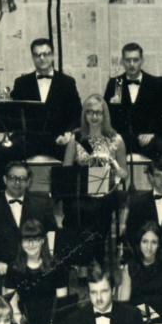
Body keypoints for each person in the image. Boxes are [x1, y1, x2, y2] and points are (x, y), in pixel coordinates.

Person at [0, 37, 83, 180]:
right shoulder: (21, 82)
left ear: (53, 55)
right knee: (0, 153)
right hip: (28, 139)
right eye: (37, 55)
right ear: (32, 57)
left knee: (81, 154)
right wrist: (4, 102)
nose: (42, 58)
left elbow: (77, 114)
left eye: (46, 54)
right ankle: (4, 199)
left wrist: (68, 132)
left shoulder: (67, 82)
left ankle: (70, 200)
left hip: (57, 138)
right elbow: (12, 113)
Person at [60, 95, 129, 266]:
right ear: (84, 114)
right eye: (89, 112)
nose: (94, 117)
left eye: (98, 112)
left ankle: (92, 259)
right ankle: (85, 260)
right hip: (81, 193)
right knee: (77, 209)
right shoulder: (75, 138)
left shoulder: (116, 139)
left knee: (100, 209)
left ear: (105, 115)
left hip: (105, 193)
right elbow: (66, 171)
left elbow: (125, 172)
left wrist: (118, 172)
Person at [0, 159, 58, 293]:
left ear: (28, 182)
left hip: (37, 268)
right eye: (13, 178)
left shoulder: (42, 204)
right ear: (5, 180)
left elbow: (52, 235)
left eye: (22, 179)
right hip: (5, 271)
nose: (17, 183)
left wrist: (47, 261)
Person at [102, 42, 162, 159]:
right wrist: (113, 135)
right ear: (122, 61)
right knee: (97, 158)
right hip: (120, 140)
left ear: (142, 60)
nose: (132, 64)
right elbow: (105, 115)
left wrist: (153, 134)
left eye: (135, 60)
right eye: (128, 60)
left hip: (149, 141)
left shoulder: (156, 84)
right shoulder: (115, 84)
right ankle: (99, 178)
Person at [4, 219, 70, 324]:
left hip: (52, 322)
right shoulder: (13, 268)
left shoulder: (58, 266)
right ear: (21, 242)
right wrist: (21, 323)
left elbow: (62, 304)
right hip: (23, 322)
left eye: (35, 239)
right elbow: (11, 303)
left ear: (43, 240)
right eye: (26, 240)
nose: (31, 245)